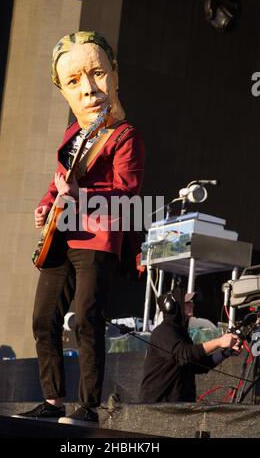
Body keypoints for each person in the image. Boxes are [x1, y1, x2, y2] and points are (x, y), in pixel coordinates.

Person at [19, 31, 145, 426]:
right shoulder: (73, 134)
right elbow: (58, 181)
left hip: (97, 238)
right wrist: (45, 207)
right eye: (74, 82)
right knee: (44, 319)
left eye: (97, 75)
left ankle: (88, 406)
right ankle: (52, 401)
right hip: (61, 236)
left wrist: (80, 194)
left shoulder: (125, 136)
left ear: (115, 75)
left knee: (87, 318)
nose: (89, 91)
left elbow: (126, 192)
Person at [140, 289, 240, 403]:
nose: (192, 304)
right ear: (172, 307)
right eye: (187, 302)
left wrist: (226, 352)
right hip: (157, 407)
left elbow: (198, 365)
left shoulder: (181, 334)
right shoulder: (162, 332)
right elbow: (184, 354)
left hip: (179, 405)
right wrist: (218, 342)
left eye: (191, 302)